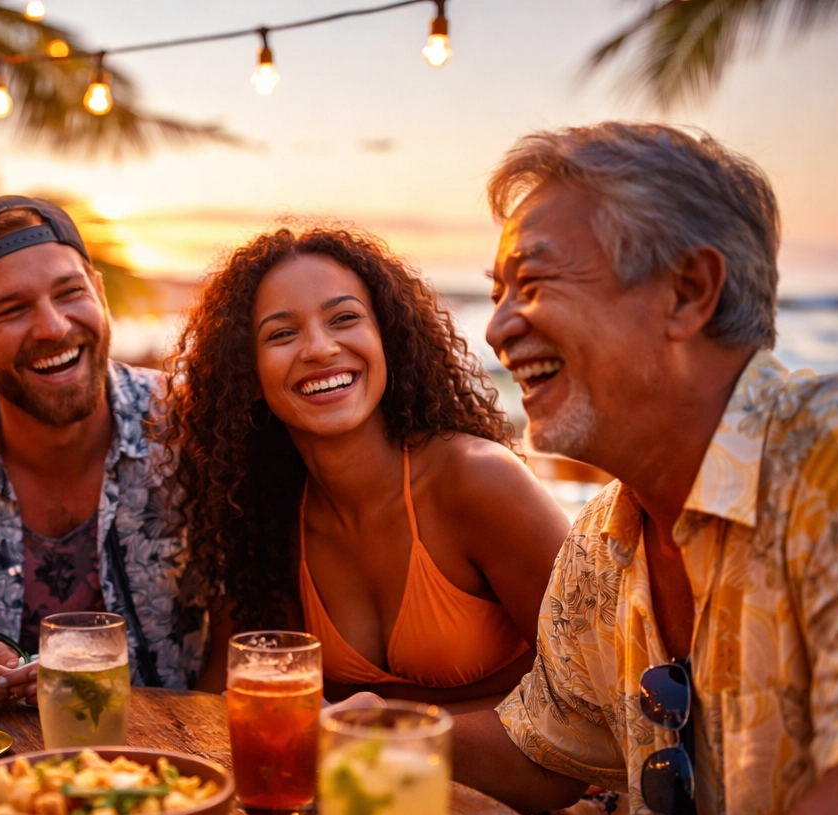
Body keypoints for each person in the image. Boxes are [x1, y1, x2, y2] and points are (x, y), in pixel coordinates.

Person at [452, 122, 838, 815]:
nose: (499, 324)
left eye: (534, 281)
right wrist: (373, 736)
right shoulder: (605, 536)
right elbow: (546, 743)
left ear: (688, 291)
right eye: (497, 291)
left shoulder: (836, 458)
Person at [166, 226, 569, 712]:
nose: (319, 348)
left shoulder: (478, 480)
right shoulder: (266, 524)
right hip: (359, 787)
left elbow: (595, 697)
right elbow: (223, 699)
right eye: (282, 334)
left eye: (344, 318)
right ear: (247, 375)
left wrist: (383, 726)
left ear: (387, 339)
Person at [0, 195, 205, 703]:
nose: (53, 327)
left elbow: (253, 617)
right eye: (13, 309)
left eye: (69, 293)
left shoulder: (189, 429)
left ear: (99, 294)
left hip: (180, 768)